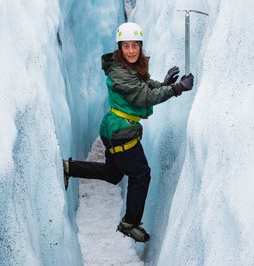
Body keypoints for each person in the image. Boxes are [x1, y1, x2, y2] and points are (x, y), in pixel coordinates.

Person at [62, 22, 194, 242]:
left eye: (135, 46)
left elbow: (143, 85)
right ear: (120, 48)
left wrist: (164, 84)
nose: (131, 50)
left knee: (114, 174)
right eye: (127, 46)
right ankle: (130, 223)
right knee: (141, 174)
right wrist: (176, 89)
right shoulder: (119, 73)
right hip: (120, 131)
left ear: (139, 46)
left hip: (114, 127)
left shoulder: (127, 68)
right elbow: (143, 96)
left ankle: (69, 168)